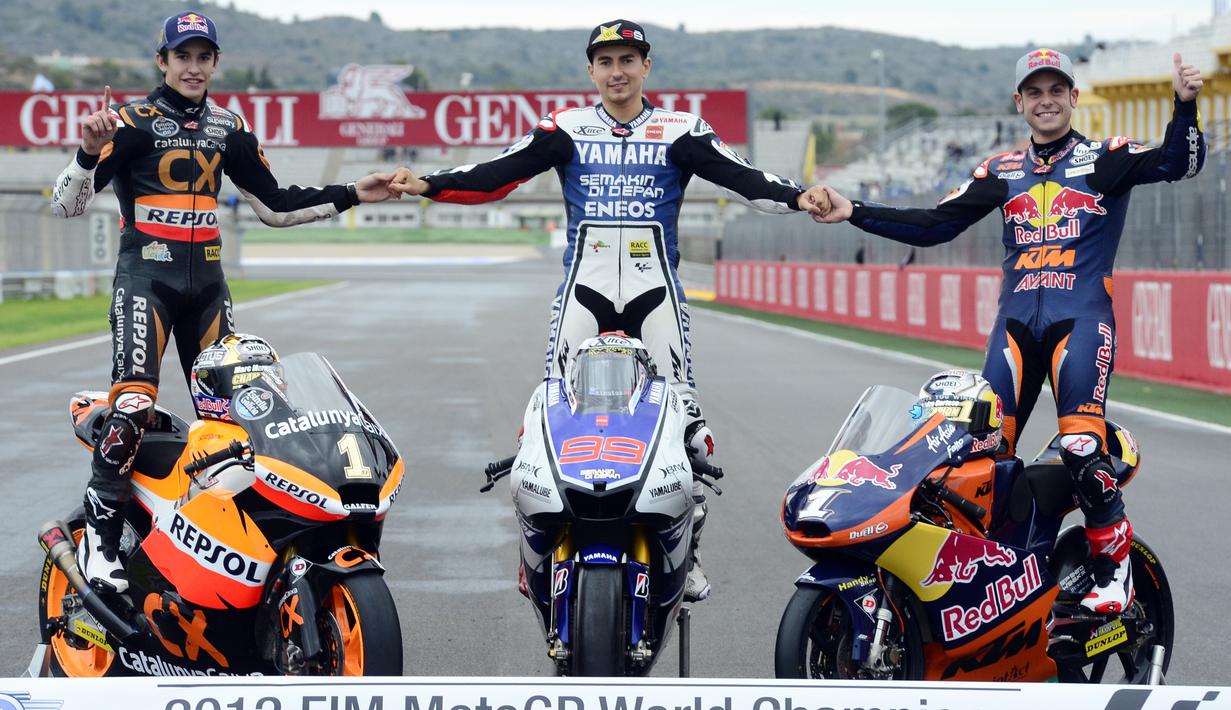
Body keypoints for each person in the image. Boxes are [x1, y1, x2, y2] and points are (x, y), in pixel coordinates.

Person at [390, 19, 830, 601]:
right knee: (547, 418)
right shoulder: (565, 129)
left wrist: (799, 196)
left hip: (657, 294)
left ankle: (686, 552)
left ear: (647, 66)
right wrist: (426, 184)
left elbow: (742, 178)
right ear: (591, 71)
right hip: (582, 293)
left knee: (687, 427)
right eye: (605, 62)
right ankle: (538, 556)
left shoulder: (680, 129)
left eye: (628, 60)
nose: (617, 72)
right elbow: (497, 175)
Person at [813, 49, 1205, 614]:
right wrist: (853, 209)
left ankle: (1113, 569)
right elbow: (931, 226)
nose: (1046, 101)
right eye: (1034, 92)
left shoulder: (1105, 158)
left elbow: (1177, 162)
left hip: (1083, 319)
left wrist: (1185, 107)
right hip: (1015, 326)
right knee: (979, 453)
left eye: (1057, 90)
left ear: (1074, 97)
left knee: (1080, 443)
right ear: (1019, 102)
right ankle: (996, 574)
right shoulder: (1000, 172)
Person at [50, 10, 403, 594]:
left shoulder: (229, 127)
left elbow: (275, 206)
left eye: (203, 56)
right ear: (162, 62)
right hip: (146, 285)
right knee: (135, 406)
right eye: (182, 56)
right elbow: (66, 206)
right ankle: (103, 541)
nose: (193, 67)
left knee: (244, 421)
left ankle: (227, 546)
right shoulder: (129, 122)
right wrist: (88, 153)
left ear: (215, 63)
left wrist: (350, 194)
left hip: (209, 291)